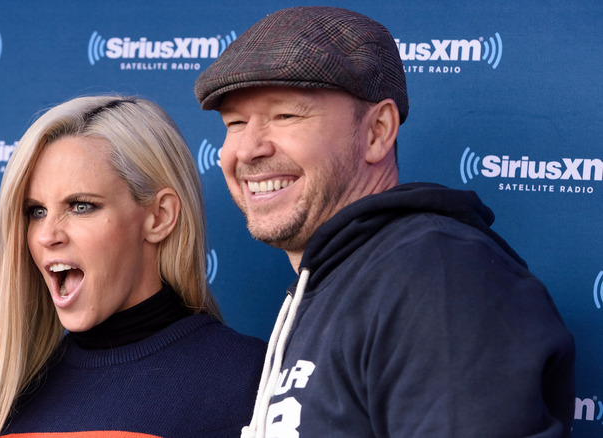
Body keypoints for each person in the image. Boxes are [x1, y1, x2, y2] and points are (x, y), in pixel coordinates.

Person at [194, 6, 575, 438]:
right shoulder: (334, 284)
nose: (247, 149)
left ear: (377, 131)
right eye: (235, 123)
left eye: (286, 115)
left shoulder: (436, 273)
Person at [0, 95, 266, 438]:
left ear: (159, 217)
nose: (47, 235)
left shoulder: (252, 382)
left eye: (81, 206)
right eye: (36, 211)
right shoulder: (7, 391)